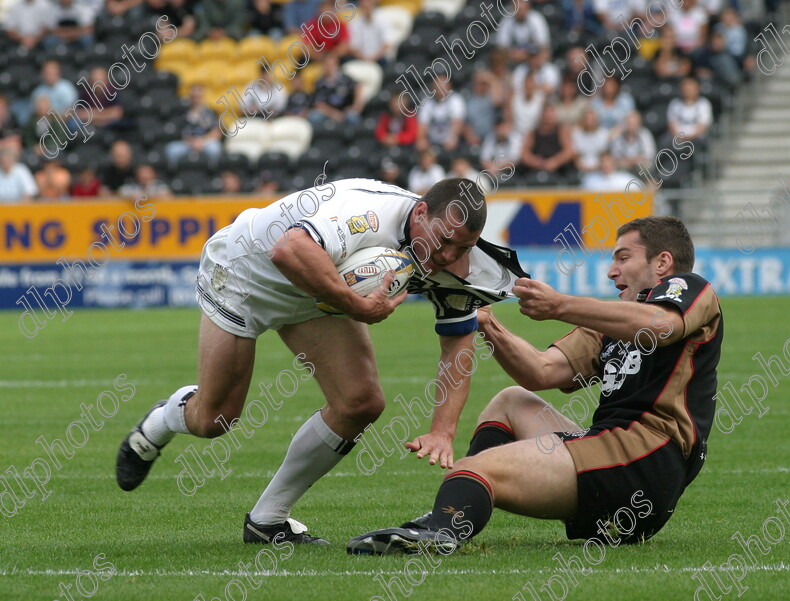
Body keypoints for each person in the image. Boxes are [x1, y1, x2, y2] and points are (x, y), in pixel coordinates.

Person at [115, 177, 528, 546]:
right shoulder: (366, 211)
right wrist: (357, 306)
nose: (448, 256)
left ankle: (268, 520)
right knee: (214, 420)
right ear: (420, 212)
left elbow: (458, 340)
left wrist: (443, 430)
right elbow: (288, 249)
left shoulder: (461, 263)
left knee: (361, 403)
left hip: (316, 293)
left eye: (464, 247)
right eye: (445, 240)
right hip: (245, 274)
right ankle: (162, 420)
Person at [348, 216, 723, 554]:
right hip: (613, 458)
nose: (611, 271)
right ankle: (455, 511)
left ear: (662, 262)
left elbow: (662, 324)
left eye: (623, 258)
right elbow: (541, 371)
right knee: (511, 401)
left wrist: (560, 305)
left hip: (647, 460)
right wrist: (485, 321)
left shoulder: (690, 289)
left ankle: (441, 531)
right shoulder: (610, 326)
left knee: (477, 469)